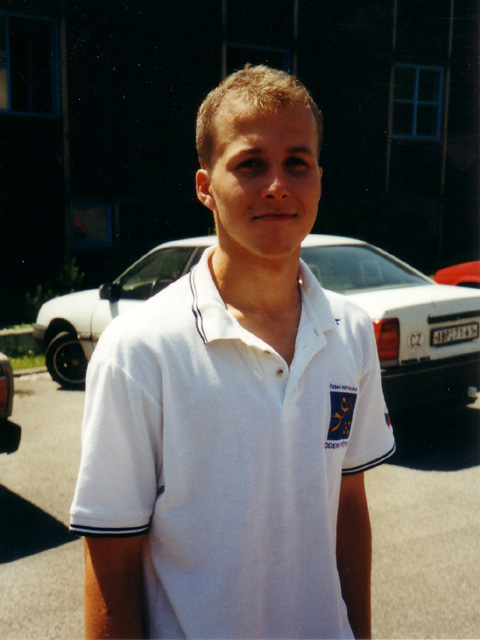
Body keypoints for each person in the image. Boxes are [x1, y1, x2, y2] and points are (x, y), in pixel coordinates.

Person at [70, 65, 395, 640]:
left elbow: (347, 505)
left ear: (319, 179)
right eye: (251, 164)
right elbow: (111, 556)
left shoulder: (348, 330)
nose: (278, 185)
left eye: (298, 162)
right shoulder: (140, 348)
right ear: (205, 187)